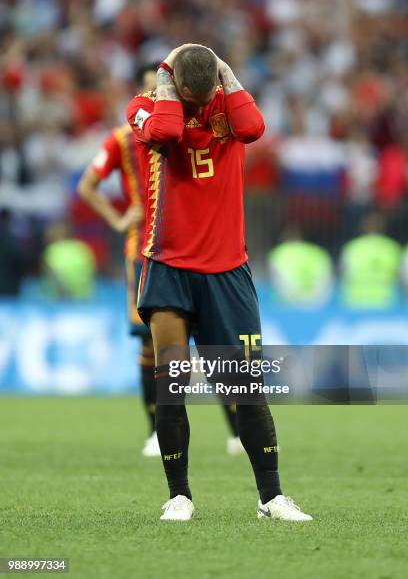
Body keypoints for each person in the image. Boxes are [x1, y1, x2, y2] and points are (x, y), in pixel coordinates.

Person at [127, 44, 312, 521]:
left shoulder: (225, 104)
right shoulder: (145, 105)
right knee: (173, 381)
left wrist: (226, 74)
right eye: (196, 92)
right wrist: (168, 84)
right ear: (178, 87)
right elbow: (165, 131)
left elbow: (255, 129)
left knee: (245, 388)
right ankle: (179, 495)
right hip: (168, 264)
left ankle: (271, 498)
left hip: (228, 270)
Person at [78, 64, 161, 457]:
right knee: (150, 343)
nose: (155, 97)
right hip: (142, 250)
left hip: (186, 249)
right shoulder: (122, 140)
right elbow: (87, 185)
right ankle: (156, 431)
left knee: (200, 344)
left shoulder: (184, 133)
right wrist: (116, 218)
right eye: (148, 91)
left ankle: (234, 431)